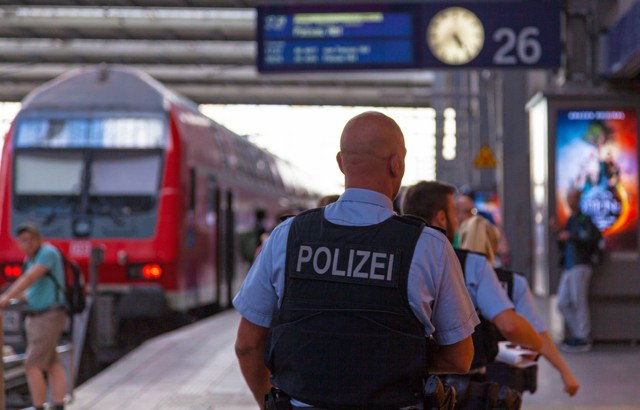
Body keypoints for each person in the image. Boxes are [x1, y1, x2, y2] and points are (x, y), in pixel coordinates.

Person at [233, 111, 479, 408]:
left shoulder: (288, 236)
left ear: (340, 162)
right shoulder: (429, 246)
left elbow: (247, 344)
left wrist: (266, 404)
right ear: (396, 164)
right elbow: (460, 357)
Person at [402, 181, 542, 409]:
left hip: (405, 386)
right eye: (454, 214)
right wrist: (536, 343)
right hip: (463, 388)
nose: (458, 221)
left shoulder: (397, 257)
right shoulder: (472, 264)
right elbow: (509, 326)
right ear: (442, 218)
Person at [448, 185, 581, 396]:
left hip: (456, 380)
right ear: (494, 244)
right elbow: (538, 333)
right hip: (505, 382)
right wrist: (565, 372)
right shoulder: (513, 283)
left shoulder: (449, 276)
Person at [0, 222, 68, 410]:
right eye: (23, 241)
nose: (27, 244)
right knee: (51, 361)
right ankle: (59, 402)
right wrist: (22, 296)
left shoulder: (47, 253)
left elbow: (31, 277)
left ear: (39, 239)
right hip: (37, 314)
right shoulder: (30, 259)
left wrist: (7, 296)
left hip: (49, 314)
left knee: (31, 363)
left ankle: (39, 406)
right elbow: (34, 287)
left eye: (31, 240)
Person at [556, 188, 602, 352]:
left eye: (572, 197)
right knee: (562, 302)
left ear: (578, 199)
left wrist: (571, 236)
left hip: (580, 264)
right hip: (569, 265)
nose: (570, 201)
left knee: (579, 301)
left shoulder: (584, 219)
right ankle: (578, 334)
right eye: (568, 197)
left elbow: (590, 238)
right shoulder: (571, 219)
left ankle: (583, 337)